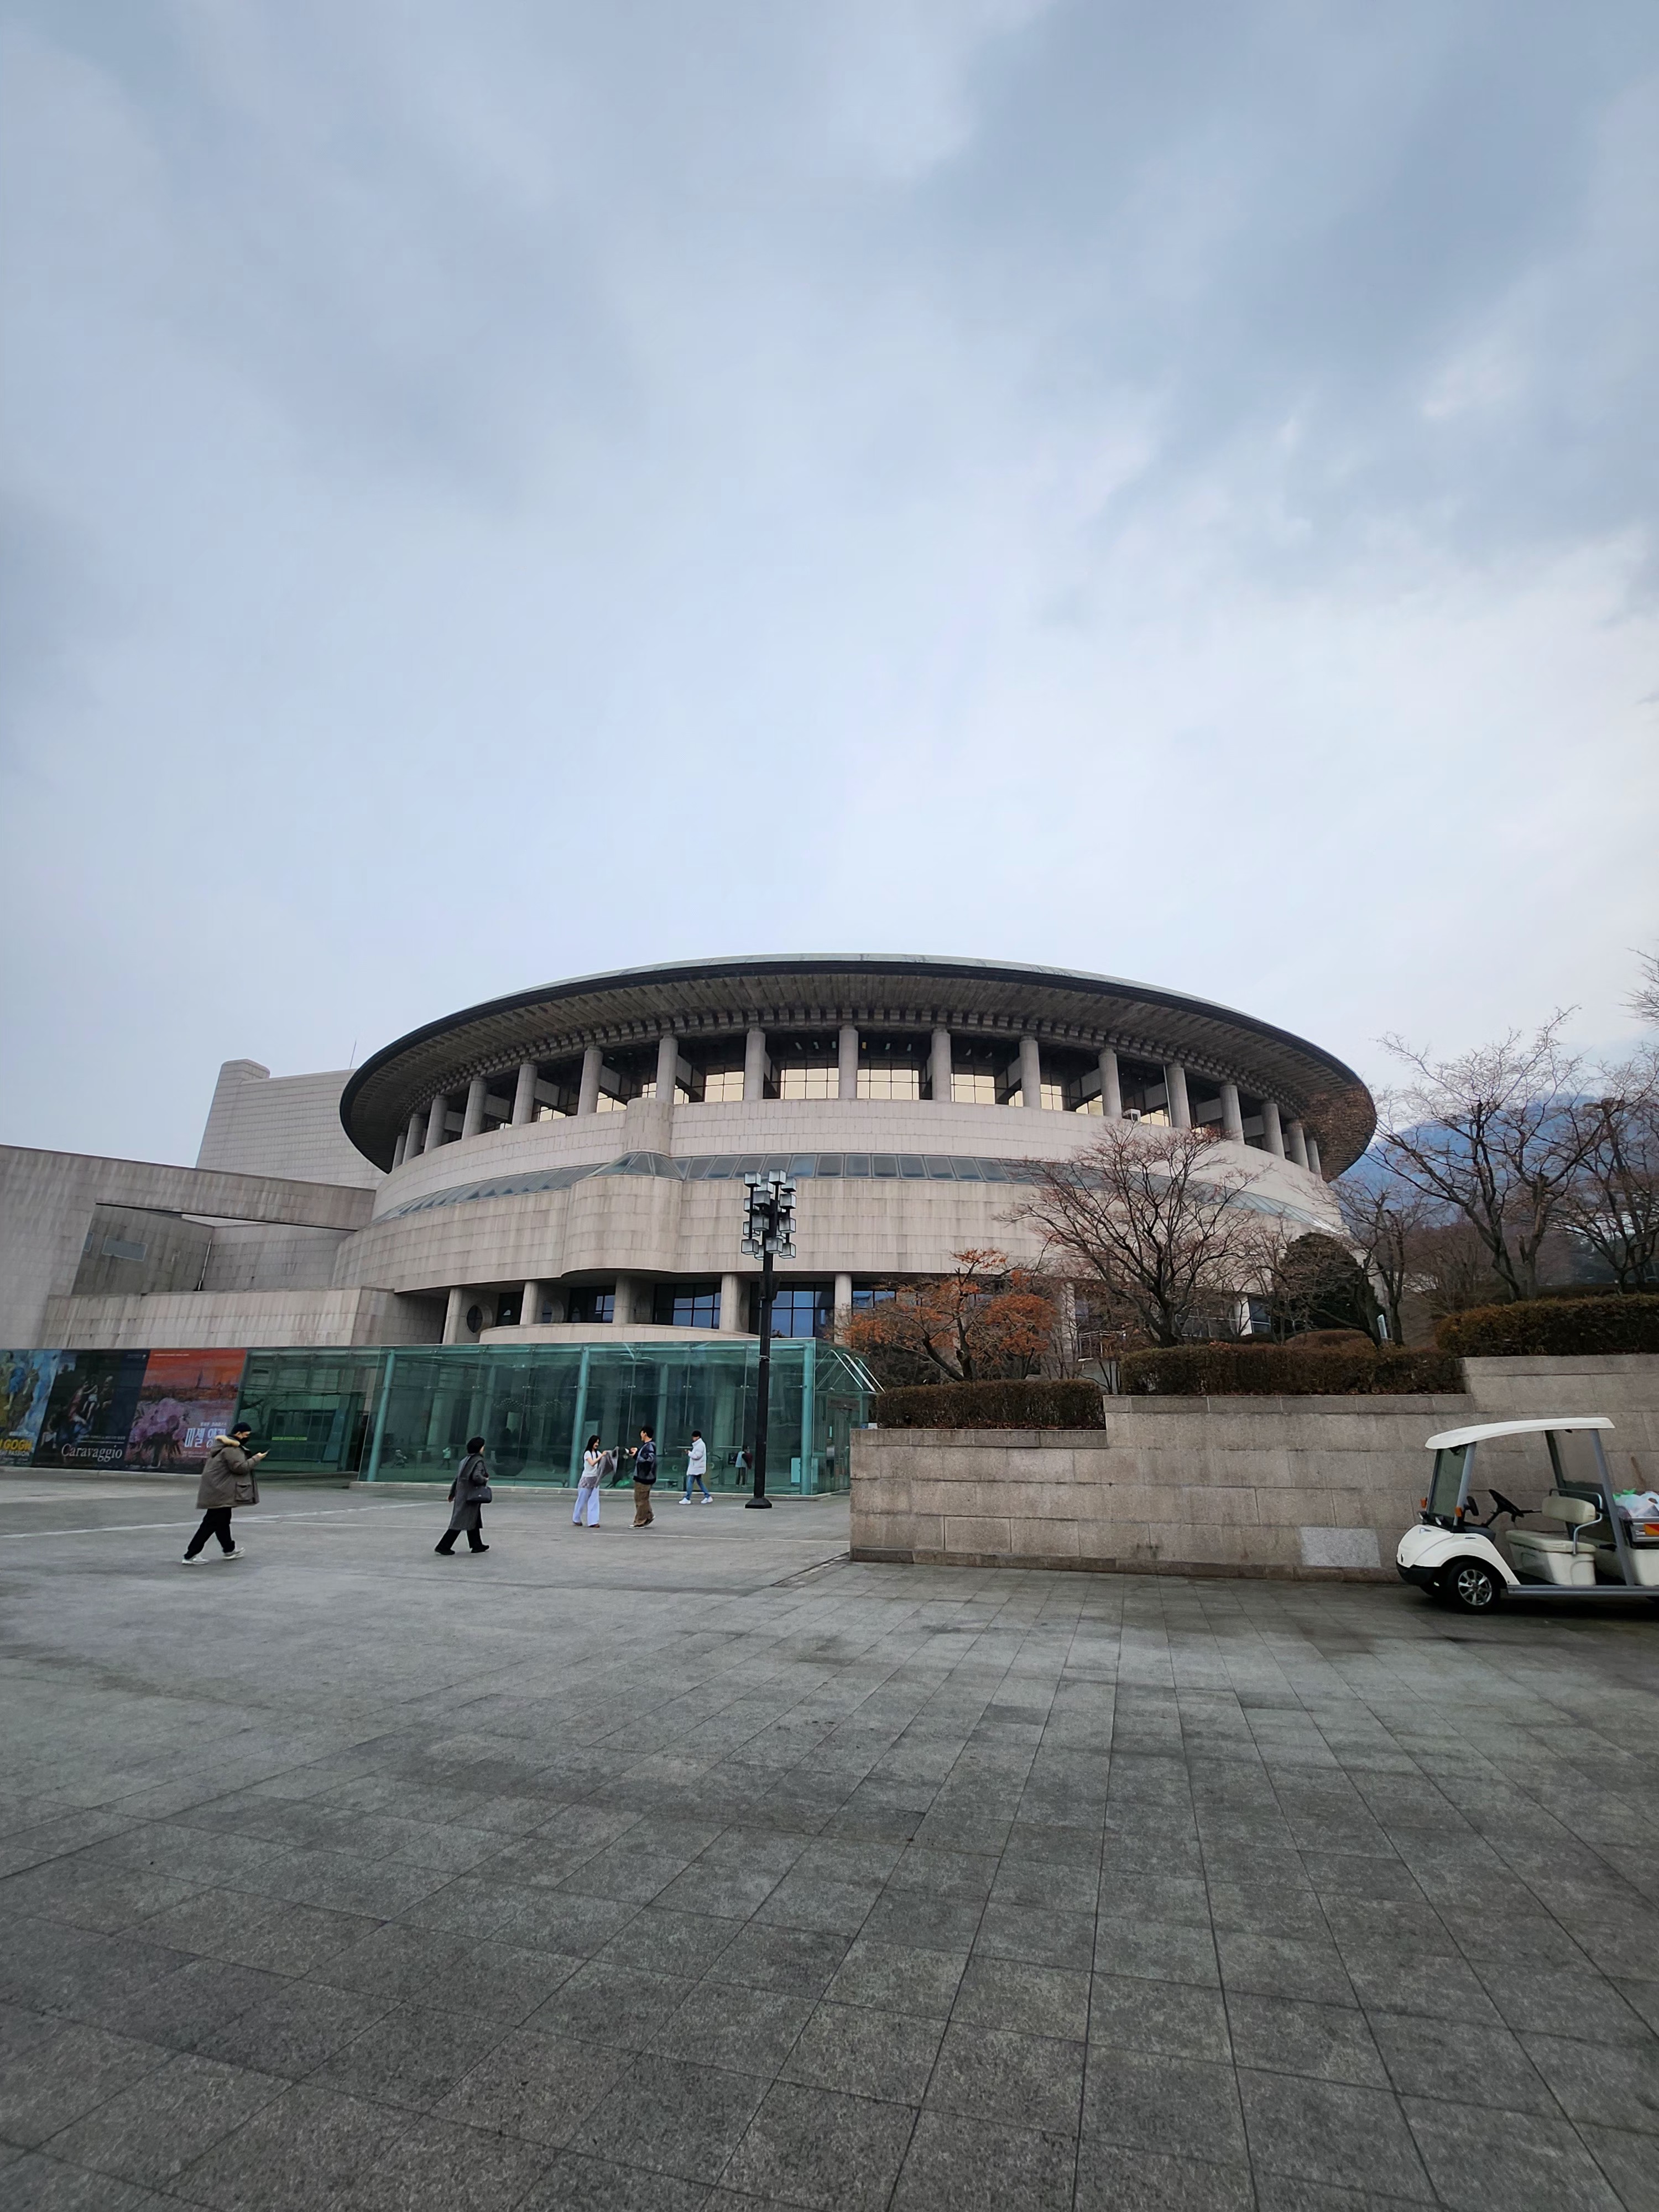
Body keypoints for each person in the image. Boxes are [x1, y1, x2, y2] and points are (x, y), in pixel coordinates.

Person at [182, 1423, 265, 1564]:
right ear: (239, 1434)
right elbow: (240, 1468)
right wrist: (256, 1458)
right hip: (222, 1491)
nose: (248, 1438)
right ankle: (191, 1554)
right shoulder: (232, 1449)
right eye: (246, 1435)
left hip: (217, 1490)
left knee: (222, 1522)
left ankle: (229, 1550)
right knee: (211, 1523)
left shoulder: (221, 1447)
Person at [436, 1436, 491, 1554]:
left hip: (462, 1494)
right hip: (470, 1495)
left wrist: (452, 1493)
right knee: (460, 1521)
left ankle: (477, 1545)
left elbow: (458, 1478)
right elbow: (476, 1476)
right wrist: (485, 1479)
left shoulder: (464, 1460)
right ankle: (443, 1546)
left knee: (473, 1519)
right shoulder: (478, 1461)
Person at [573, 1434, 603, 1528]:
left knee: (594, 1501)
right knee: (582, 1500)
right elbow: (592, 1463)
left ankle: (593, 1521)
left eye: (598, 1443)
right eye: (596, 1442)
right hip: (586, 1479)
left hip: (595, 1479)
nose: (597, 1444)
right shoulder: (587, 1453)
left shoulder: (598, 1453)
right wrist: (601, 1457)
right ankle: (576, 1519)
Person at [630, 1427, 657, 1527]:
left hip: (644, 1477)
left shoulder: (649, 1446)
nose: (640, 1435)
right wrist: (637, 1453)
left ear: (645, 1434)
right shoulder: (648, 1446)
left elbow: (648, 1459)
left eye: (641, 1433)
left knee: (640, 1499)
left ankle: (640, 1521)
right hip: (644, 1477)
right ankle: (649, 1515)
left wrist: (637, 1454)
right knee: (643, 1498)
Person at [681, 1430, 712, 1504]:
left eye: (694, 1437)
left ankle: (687, 1498)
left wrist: (689, 1453)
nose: (693, 1438)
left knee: (690, 1482)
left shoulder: (700, 1445)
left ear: (697, 1437)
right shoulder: (700, 1445)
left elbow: (696, 1456)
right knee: (699, 1482)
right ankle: (707, 1496)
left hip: (696, 1468)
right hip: (697, 1467)